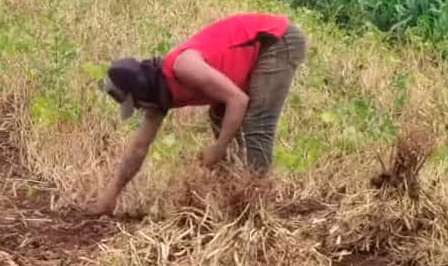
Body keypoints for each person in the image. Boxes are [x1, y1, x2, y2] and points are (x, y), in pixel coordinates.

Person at [89, 12, 307, 216]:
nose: (138, 108)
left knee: (256, 124)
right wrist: (111, 195)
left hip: (276, 40)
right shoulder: (158, 100)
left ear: (141, 89)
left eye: (135, 103)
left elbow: (238, 100)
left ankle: (256, 209)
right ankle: (234, 192)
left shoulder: (183, 66)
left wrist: (218, 148)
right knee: (219, 116)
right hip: (258, 51)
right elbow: (139, 148)